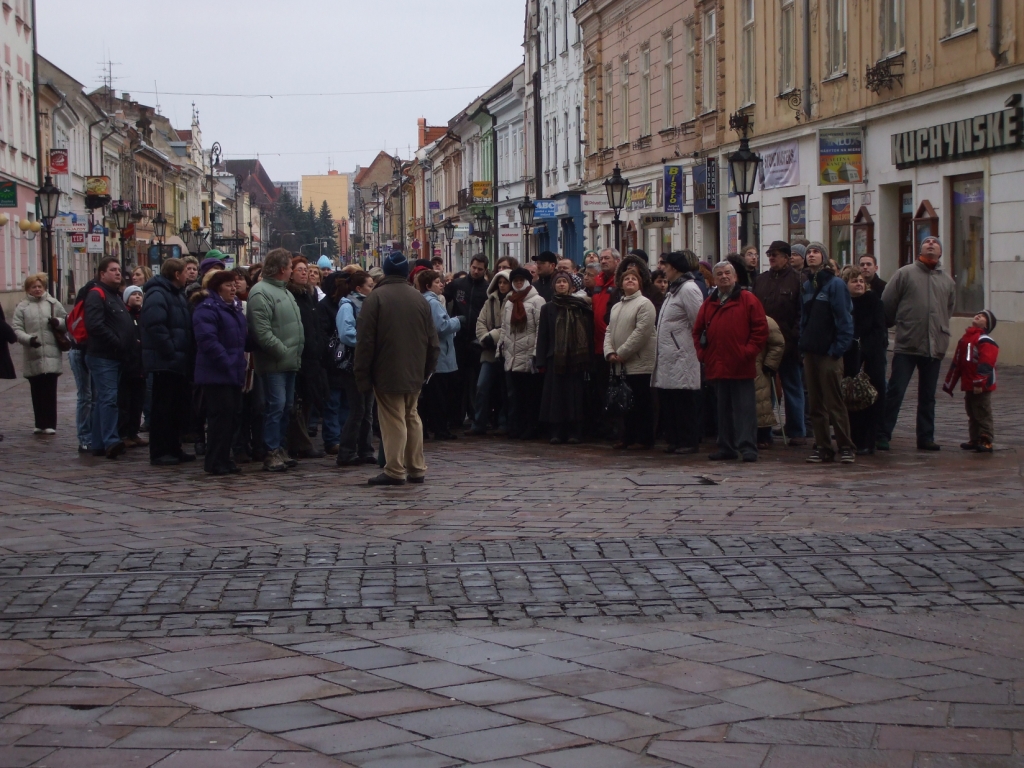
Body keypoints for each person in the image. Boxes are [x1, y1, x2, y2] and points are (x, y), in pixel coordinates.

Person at [354, 252, 440, 486]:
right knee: (412, 416)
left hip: (386, 370)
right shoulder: (420, 299)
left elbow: (365, 342)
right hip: (414, 370)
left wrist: (362, 374)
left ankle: (394, 469)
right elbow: (433, 341)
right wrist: (427, 370)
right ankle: (416, 467)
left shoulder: (375, 298)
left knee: (393, 419)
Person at [879, 235, 956, 451]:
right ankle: (883, 433)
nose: (931, 244)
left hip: (934, 345)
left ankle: (926, 437)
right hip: (908, 342)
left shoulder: (947, 281)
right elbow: (887, 303)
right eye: (927, 242)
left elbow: (947, 309)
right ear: (919, 250)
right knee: (896, 390)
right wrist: (901, 324)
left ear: (940, 252)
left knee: (928, 396)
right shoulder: (905, 273)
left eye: (935, 243)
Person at [693, 260, 769, 462]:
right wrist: (703, 354)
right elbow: (697, 330)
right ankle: (726, 446)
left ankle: (747, 447)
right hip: (717, 364)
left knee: (745, 410)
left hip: (741, 364)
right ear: (714, 279)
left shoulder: (748, 300)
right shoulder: (709, 302)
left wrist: (747, 352)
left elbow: (760, 330)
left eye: (727, 273)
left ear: (735, 277)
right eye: (719, 274)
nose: (724, 276)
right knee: (722, 410)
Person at [247, 248, 304, 472]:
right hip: (275, 362)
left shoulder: (285, 291)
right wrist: (282, 351)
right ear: (282, 269)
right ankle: (271, 450)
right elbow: (262, 332)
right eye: (290, 267)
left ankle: (280, 448)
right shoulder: (261, 292)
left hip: (289, 361)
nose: (292, 271)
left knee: (286, 407)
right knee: (275, 406)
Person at [800, 244, 855, 463]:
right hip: (811, 351)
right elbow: (803, 318)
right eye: (809, 252)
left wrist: (838, 348)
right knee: (815, 404)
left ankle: (846, 446)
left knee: (835, 402)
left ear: (824, 257)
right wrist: (802, 345)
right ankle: (823, 446)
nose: (811, 255)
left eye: (816, 251)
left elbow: (844, 318)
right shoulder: (807, 285)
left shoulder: (835, 284)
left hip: (829, 352)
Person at [191, 269, 248, 475]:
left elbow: (242, 337)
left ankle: (225, 459)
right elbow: (208, 340)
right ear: (217, 288)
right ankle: (215, 460)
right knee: (219, 419)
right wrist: (227, 361)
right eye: (228, 285)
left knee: (231, 418)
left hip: (233, 371)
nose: (233, 288)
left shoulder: (233, 308)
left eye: (234, 284)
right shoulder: (207, 308)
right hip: (216, 373)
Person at [141, 258, 195, 466]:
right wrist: (171, 351)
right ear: (176, 274)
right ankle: (160, 450)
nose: (188, 276)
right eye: (184, 272)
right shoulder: (157, 293)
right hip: (165, 361)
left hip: (177, 361)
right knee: (163, 409)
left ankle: (174, 447)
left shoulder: (175, 293)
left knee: (175, 408)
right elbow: (155, 325)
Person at [753, 241, 806, 444]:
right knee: (765, 389)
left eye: (775, 254)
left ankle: (797, 430)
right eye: (769, 254)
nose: (772, 258)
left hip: (789, 344)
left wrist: (794, 339)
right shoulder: (761, 280)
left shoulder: (799, 280)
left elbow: (802, 313)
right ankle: (764, 429)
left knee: (792, 386)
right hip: (764, 343)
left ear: (786, 257)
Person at [652, 251, 704, 455]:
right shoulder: (674, 289)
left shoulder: (688, 289)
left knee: (684, 400)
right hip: (668, 355)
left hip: (682, 353)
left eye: (665, 265)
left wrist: (684, 345)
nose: (662, 269)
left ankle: (688, 440)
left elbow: (697, 320)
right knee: (671, 399)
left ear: (674, 268)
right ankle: (675, 439)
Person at [84, 258, 136, 459]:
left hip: (115, 356)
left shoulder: (115, 294)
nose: (117, 273)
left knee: (103, 400)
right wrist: (117, 341)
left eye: (119, 270)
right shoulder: (97, 294)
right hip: (103, 355)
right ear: (102, 274)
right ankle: (111, 440)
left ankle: (98, 442)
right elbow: (94, 325)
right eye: (112, 270)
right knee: (108, 399)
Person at [535, 270, 592, 444]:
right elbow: (543, 335)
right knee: (556, 397)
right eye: (558, 282)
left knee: (574, 395)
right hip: (555, 358)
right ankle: (556, 431)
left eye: (564, 282)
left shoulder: (579, 306)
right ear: (554, 286)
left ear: (570, 286)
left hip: (575, 358)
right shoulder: (547, 308)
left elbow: (588, 333)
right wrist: (541, 360)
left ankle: (574, 431)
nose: (561, 284)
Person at [605, 263, 657, 449]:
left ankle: (644, 439)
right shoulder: (617, 306)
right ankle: (627, 437)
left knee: (641, 401)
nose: (630, 280)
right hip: (620, 363)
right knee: (625, 403)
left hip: (639, 362)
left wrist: (622, 352)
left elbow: (641, 332)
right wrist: (609, 351)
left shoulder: (644, 304)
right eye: (626, 278)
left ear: (640, 284)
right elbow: (609, 330)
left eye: (634, 279)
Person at [12, 273, 67, 436]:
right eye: (33, 287)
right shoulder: (22, 307)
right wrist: (28, 339)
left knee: (50, 389)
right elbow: (17, 328)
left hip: (51, 353)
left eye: (39, 286)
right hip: (33, 353)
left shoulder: (53, 303)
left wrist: (58, 322)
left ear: (44, 288)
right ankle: (39, 423)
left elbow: (66, 321)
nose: (37, 289)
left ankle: (50, 423)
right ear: (28, 289)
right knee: (36, 390)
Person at [333, 270, 377, 466]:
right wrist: (367, 342)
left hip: (367, 362)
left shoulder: (368, 303)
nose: (373, 289)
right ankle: (346, 451)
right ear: (359, 288)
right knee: (357, 409)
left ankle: (365, 449)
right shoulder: (347, 305)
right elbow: (346, 334)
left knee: (367, 409)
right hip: (353, 363)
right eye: (370, 286)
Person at [286, 256, 328, 459]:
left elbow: (315, 323)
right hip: (298, 354)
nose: (304, 273)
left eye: (305, 269)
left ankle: (301, 441)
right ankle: (300, 441)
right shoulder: (290, 295)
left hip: (313, 355)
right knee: (298, 400)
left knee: (310, 398)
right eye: (300, 270)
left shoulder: (310, 295)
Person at [843, 265, 888, 455]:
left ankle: (870, 440)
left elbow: (880, 331)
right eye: (854, 281)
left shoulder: (874, 301)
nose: (859, 284)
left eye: (861, 281)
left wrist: (865, 350)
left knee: (870, 399)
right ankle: (852, 439)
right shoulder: (844, 303)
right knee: (851, 399)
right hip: (849, 357)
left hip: (871, 359)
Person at [943, 309, 998, 453]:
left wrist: (979, 382)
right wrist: (950, 383)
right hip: (969, 384)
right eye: (978, 314)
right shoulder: (965, 339)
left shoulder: (985, 341)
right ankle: (975, 438)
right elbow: (958, 362)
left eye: (984, 316)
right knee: (972, 411)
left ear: (987, 326)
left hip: (982, 385)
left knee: (982, 411)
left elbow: (986, 363)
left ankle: (986, 439)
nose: (979, 315)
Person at [500, 267, 545, 440]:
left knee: (530, 396)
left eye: (521, 280)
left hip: (528, 354)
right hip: (512, 354)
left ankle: (531, 427)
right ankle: (517, 426)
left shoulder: (537, 300)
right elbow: (505, 327)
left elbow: (541, 328)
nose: (518, 283)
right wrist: (501, 348)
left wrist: (535, 352)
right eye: (516, 280)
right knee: (515, 396)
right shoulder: (510, 301)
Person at [445, 254, 490, 430]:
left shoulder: (487, 289)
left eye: (480, 269)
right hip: (458, 339)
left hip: (477, 340)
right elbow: (443, 299)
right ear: (470, 266)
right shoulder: (458, 285)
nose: (476, 271)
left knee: (476, 382)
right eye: (474, 267)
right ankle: (455, 417)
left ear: (485, 270)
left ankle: (475, 416)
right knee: (456, 381)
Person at [419, 269, 463, 440]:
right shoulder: (433, 302)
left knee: (432, 395)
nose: (441, 284)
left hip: (433, 355)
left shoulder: (424, 300)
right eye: (437, 282)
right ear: (428, 285)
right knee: (439, 396)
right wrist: (458, 321)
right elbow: (441, 327)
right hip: (440, 356)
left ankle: (432, 427)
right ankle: (440, 429)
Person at [468, 268, 512, 436]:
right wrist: (484, 338)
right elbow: (481, 322)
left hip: (507, 351)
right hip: (488, 352)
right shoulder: (490, 302)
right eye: (499, 282)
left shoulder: (513, 301)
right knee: (482, 386)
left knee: (505, 390)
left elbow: (508, 326)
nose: (502, 286)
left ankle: (503, 422)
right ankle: (479, 422)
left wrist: (492, 336)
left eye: (505, 282)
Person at [589, 248, 620, 437]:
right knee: (601, 388)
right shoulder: (598, 281)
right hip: (597, 344)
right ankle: (605, 424)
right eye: (601, 258)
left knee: (615, 388)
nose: (603, 261)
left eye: (607, 258)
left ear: (617, 261)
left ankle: (616, 425)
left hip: (613, 344)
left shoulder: (619, 281)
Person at [118, 285, 147, 449]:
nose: (137, 297)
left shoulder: (143, 315)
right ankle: (123, 433)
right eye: (133, 294)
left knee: (138, 402)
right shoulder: (125, 315)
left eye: (139, 294)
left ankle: (133, 432)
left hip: (141, 365)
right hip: (128, 364)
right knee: (125, 402)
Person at [754, 316, 786, 449]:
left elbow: (778, 343)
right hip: (747, 367)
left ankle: (764, 435)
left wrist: (770, 364)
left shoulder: (765, 320)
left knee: (763, 402)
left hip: (761, 369)